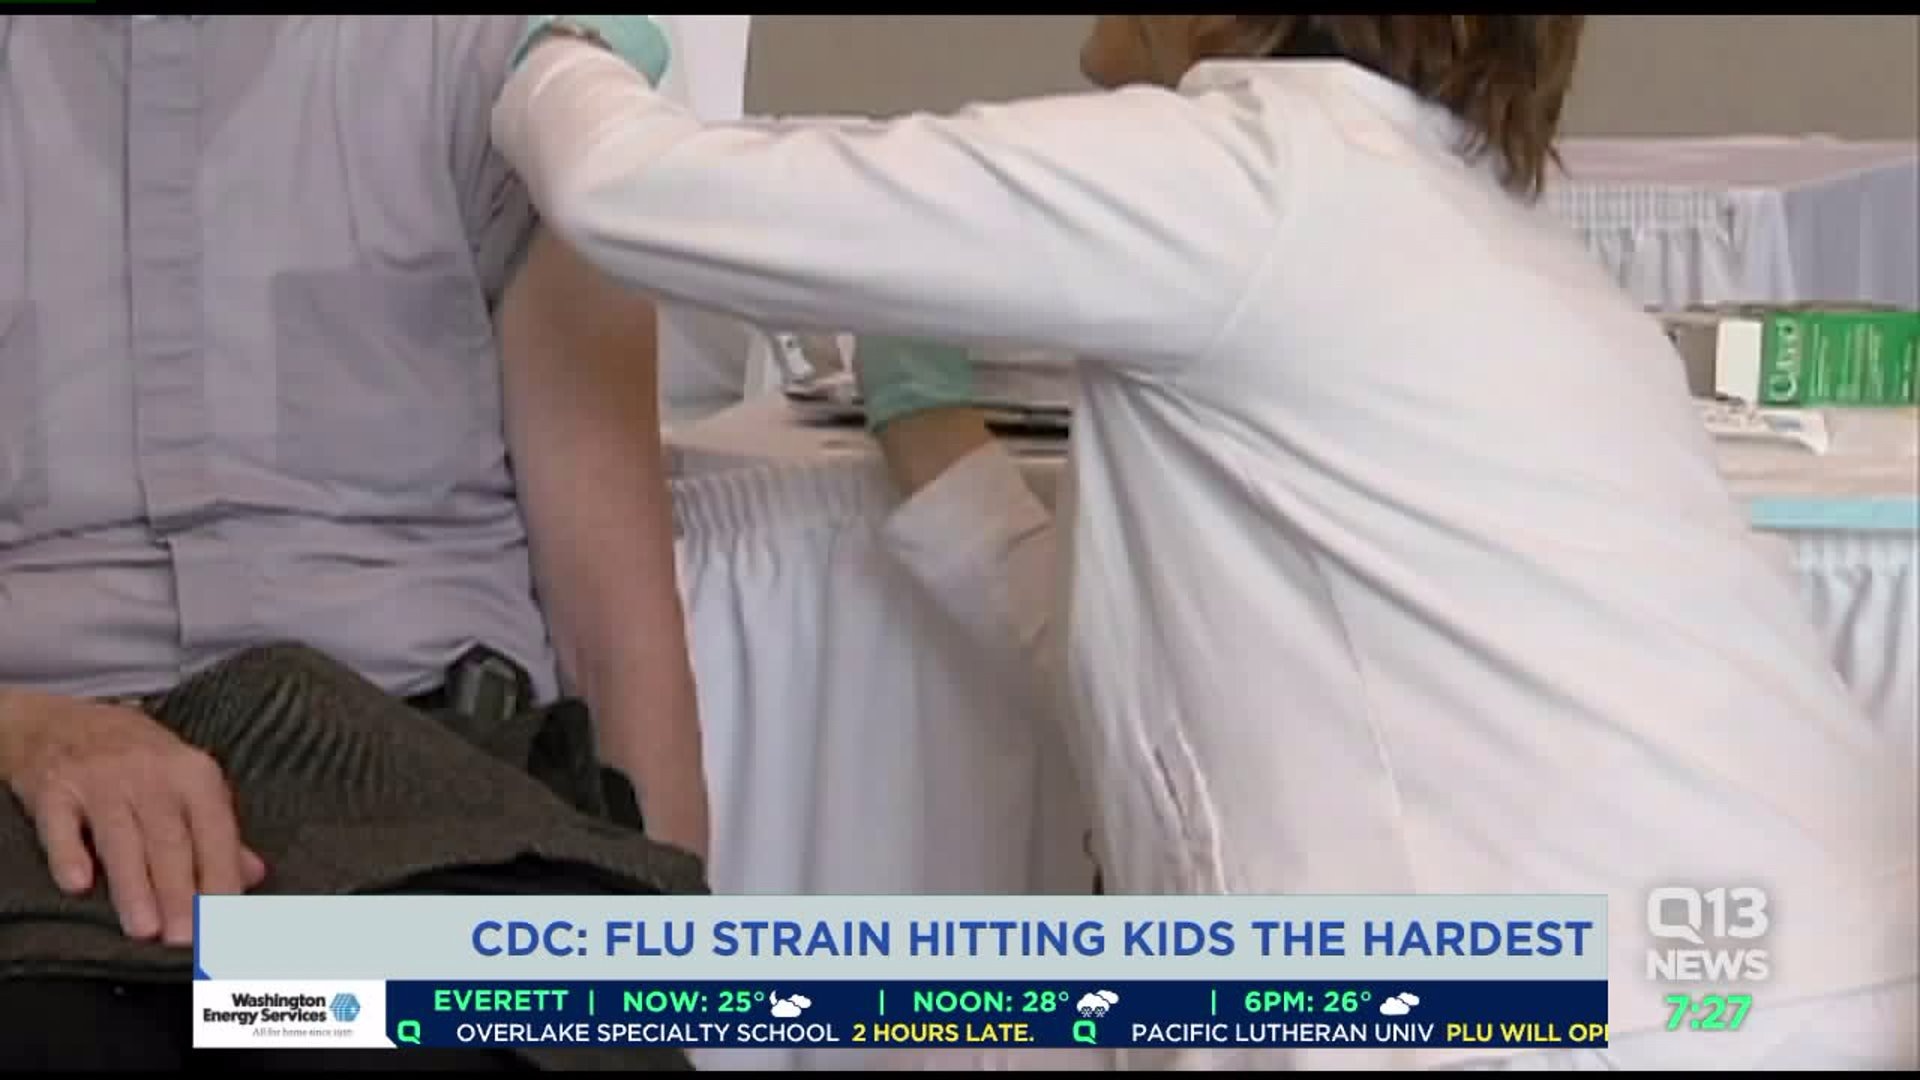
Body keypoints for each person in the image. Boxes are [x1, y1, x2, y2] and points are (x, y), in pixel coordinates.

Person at [493, 14, 1919, 1070]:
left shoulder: (1250, 173)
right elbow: (1139, 663)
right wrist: (930, 434)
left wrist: (560, 44)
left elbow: (634, 189)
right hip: (1773, 964)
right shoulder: (1471, 230)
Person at [0, 14, 705, 1070]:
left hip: (426, 790)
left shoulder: (504, 65)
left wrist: (666, 986)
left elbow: (617, 632)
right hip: (37, 798)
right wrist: (22, 729)